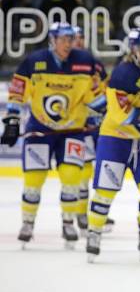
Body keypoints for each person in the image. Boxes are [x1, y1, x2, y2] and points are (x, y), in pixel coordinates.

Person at [0, 23, 99, 247]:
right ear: (52, 40)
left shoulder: (85, 61)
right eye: (63, 39)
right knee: (34, 180)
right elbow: (17, 91)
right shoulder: (34, 61)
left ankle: (68, 223)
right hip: (40, 130)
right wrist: (13, 120)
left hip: (73, 130)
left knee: (72, 177)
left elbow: (95, 95)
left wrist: (101, 114)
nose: (68, 43)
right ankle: (28, 223)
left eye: (71, 38)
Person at [85, 27, 140, 263]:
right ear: (134, 50)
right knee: (105, 190)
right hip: (116, 137)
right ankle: (94, 232)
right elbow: (120, 113)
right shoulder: (123, 73)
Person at [72, 25, 110, 236]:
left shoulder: (93, 63)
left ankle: (96, 210)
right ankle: (80, 212)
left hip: (99, 124)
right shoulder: (68, 65)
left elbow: (106, 88)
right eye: (74, 38)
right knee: (83, 170)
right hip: (80, 124)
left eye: (80, 38)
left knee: (101, 169)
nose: (78, 42)